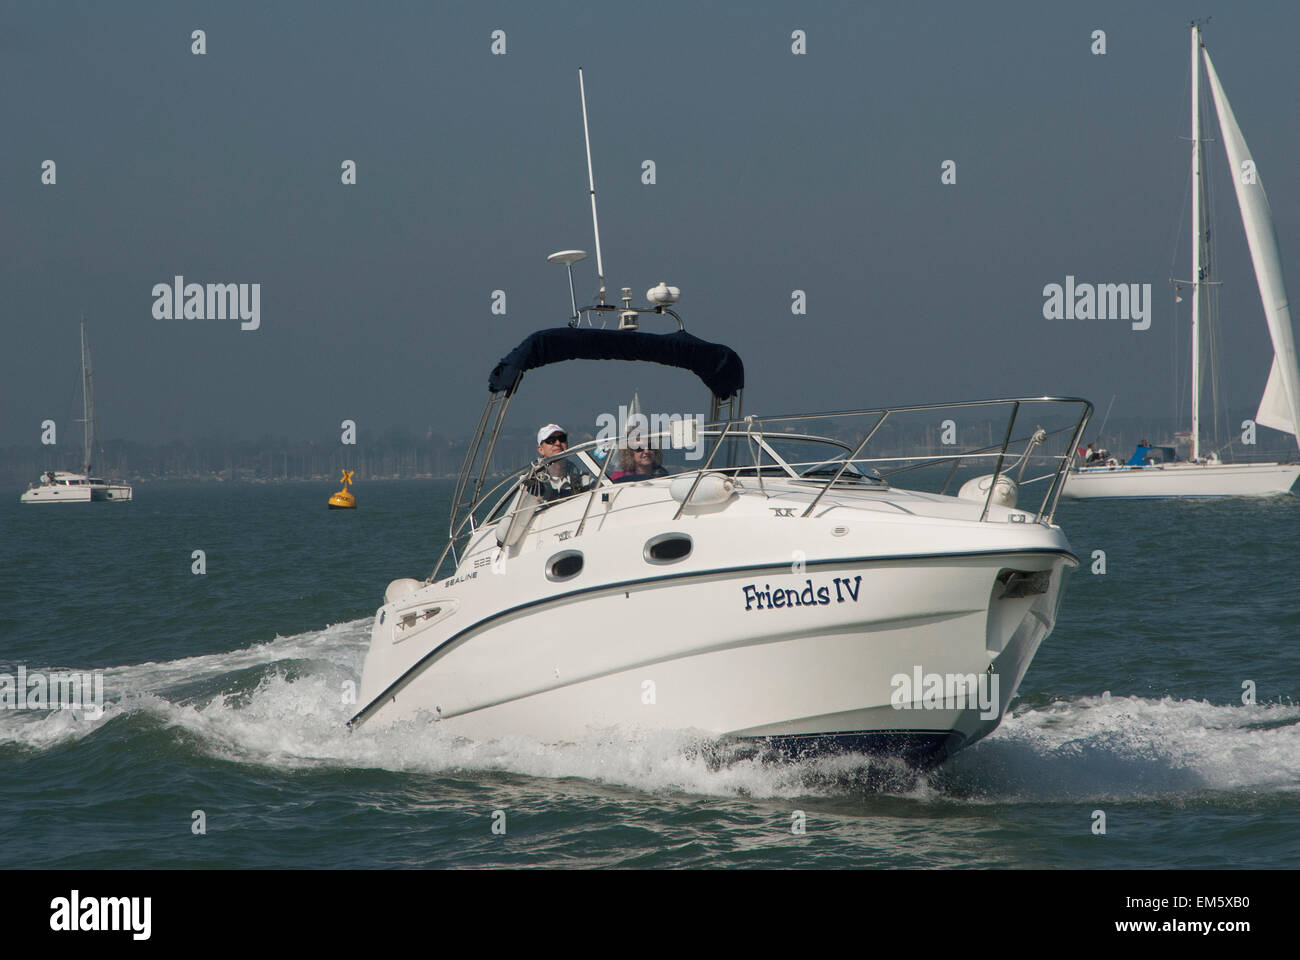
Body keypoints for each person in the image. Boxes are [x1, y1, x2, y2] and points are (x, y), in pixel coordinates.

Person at [527, 424, 594, 501]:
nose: (558, 443)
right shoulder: (531, 484)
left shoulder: (585, 480)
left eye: (562, 439)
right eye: (551, 440)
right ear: (541, 450)